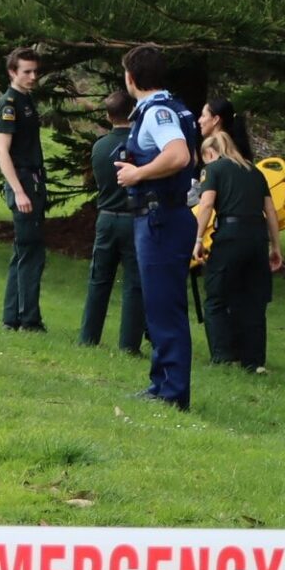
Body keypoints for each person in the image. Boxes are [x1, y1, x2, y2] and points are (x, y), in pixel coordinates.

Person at [113, 45, 202, 411]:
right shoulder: (177, 107)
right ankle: (161, 382)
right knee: (160, 304)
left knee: (165, 307)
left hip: (159, 218)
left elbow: (179, 155)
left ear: (131, 78)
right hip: (166, 216)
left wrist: (139, 173)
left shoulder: (157, 113)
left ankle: (172, 392)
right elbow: (193, 157)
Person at [193, 130, 284, 370]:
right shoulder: (255, 172)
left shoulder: (213, 170)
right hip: (257, 238)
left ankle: (223, 356)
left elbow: (207, 203)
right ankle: (254, 361)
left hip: (230, 237)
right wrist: (275, 246)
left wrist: (198, 238)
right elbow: (271, 211)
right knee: (253, 300)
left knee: (216, 297)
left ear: (210, 153)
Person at [77, 88, 144, 355]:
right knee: (134, 282)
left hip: (105, 218)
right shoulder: (142, 145)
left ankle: (88, 336)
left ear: (108, 115)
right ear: (135, 112)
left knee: (99, 279)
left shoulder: (99, 146)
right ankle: (129, 344)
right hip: (133, 218)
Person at [0, 47, 46, 332]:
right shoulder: (9, 104)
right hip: (24, 180)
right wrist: (19, 191)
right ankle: (29, 319)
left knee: (23, 250)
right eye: (26, 71)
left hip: (33, 179)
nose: (32, 76)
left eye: (35, 71)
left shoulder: (27, 100)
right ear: (12, 72)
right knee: (31, 251)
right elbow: (2, 152)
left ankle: (12, 317)